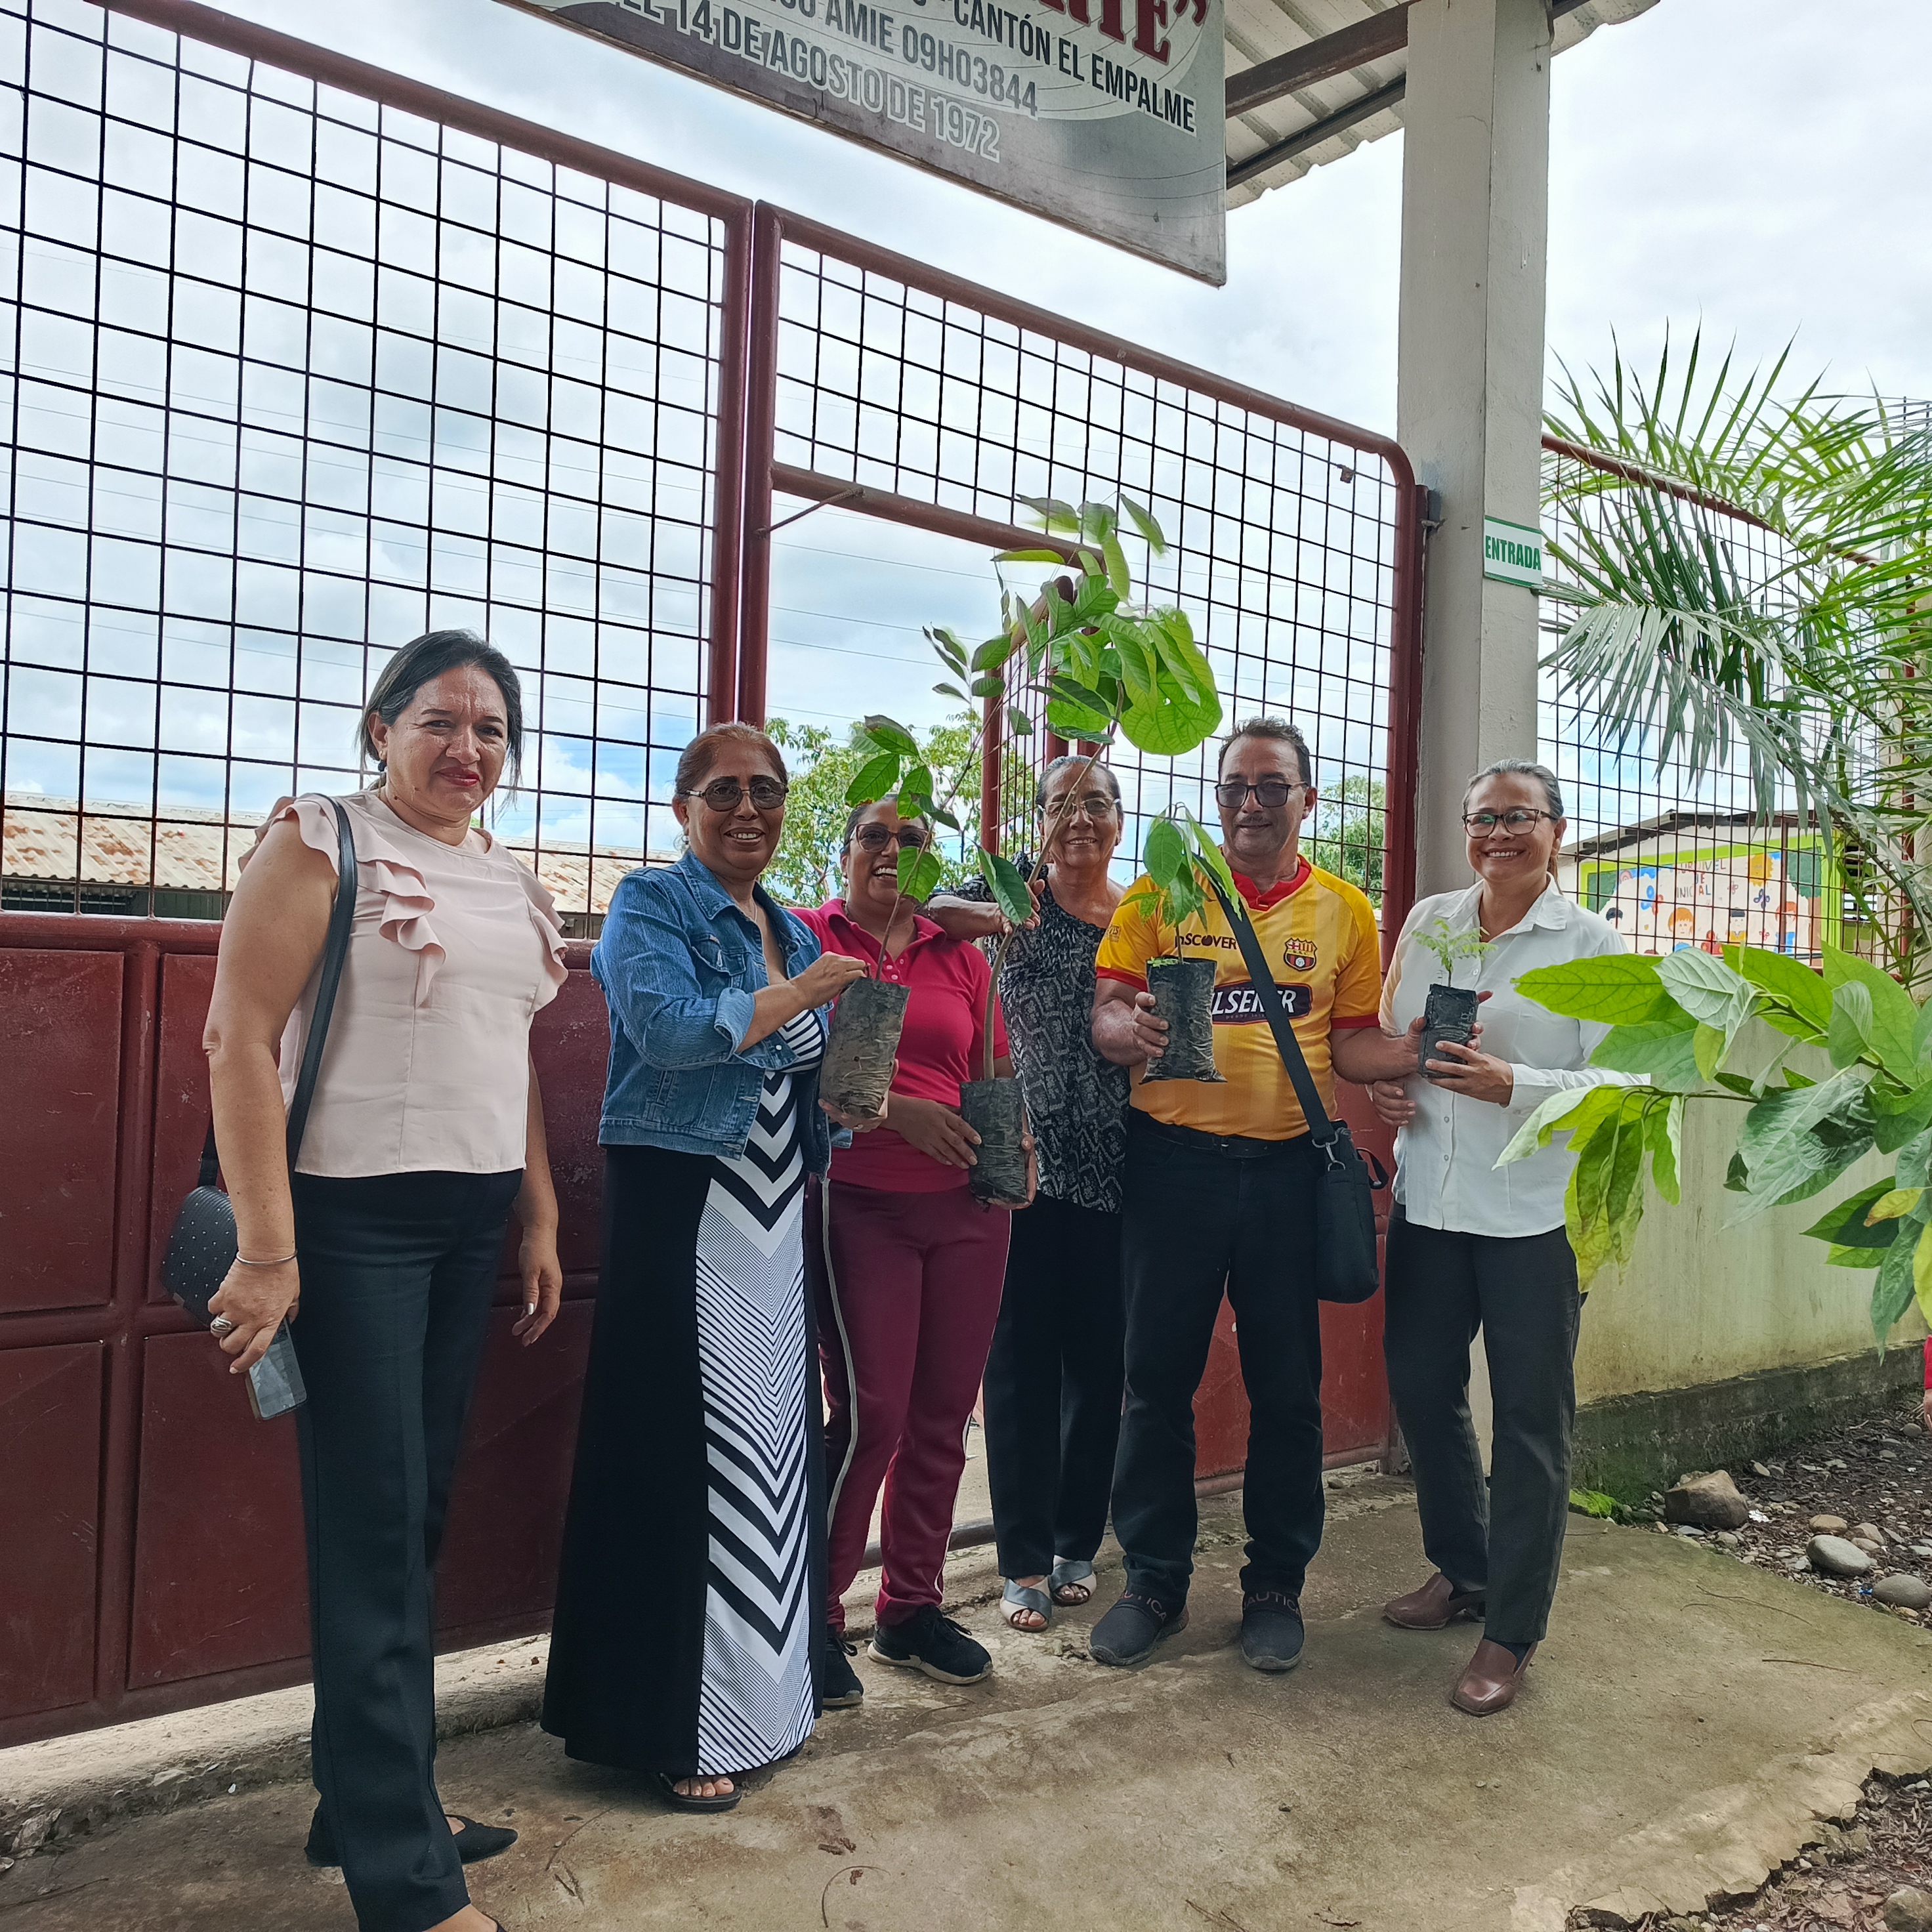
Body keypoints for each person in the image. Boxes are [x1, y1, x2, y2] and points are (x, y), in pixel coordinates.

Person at [203, 629, 568, 1932]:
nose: (468, 748)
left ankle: (365, 1799)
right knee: (373, 1528)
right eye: (440, 722)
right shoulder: (321, 842)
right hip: (352, 1225)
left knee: (413, 1521)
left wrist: (535, 1211)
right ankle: (407, 1885)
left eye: (491, 729)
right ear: (382, 727)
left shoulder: (504, 877)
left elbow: (508, 1055)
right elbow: (236, 1039)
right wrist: (268, 1248)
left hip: (469, 1219)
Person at [542, 723, 875, 1812]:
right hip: (684, 1210)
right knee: (684, 1451)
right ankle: (672, 1725)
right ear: (684, 806)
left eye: (767, 791)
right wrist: (803, 994)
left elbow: (799, 1084)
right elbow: (673, 1035)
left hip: (775, 1217)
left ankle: (768, 1704)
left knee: (770, 1455)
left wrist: (848, 1100)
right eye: (723, 791)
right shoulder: (654, 904)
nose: (748, 811)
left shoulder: (789, 925)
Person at [1087, 717, 1419, 1673]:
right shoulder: (1160, 895)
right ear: (1217, 799)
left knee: (1287, 1389)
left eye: (1273, 786)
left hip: (1285, 1177)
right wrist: (1128, 1030)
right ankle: (1153, 1583)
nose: (1252, 804)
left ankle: (1276, 1585)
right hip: (1171, 1168)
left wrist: (1416, 1054)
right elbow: (1106, 1013)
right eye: (1236, 786)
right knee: (1155, 1384)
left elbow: (1350, 1044)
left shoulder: (1345, 911)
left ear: (1306, 801)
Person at [1369, 759, 1636, 1715]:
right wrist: (1388, 1085)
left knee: (1529, 1423)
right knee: (1421, 1390)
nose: (1499, 834)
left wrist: (1514, 1084)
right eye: (1483, 817)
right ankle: (1465, 1569)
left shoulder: (1592, 943)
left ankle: (1511, 1630)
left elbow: (1626, 1085)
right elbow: (1394, 1037)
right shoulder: (1430, 921)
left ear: (1557, 831)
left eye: (1521, 817)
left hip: (1532, 1219)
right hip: (1430, 1207)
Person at [797, 797, 1029, 1700]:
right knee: (871, 1415)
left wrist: (1016, 1150)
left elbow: (992, 1066)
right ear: (845, 852)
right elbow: (796, 1068)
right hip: (861, 1204)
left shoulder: (959, 957)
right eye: (875, 836)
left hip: (969, 1209)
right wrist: (899, 1113)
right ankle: (815, 1619)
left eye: (914, 840)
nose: (892, 850)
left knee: (942, 1417)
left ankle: (911, 1610)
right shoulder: (810, 939)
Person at [929, 754, 1130, 1631]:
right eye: (1061, 806)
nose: (1079, 819)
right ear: (1039, 820)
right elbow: (928, 910)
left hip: (1121, 1168)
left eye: (1096, 804)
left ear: (1119, 819)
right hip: (1020, 1162)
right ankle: (1023, 1560)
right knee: (1017, 1368)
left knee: (1101, 1365)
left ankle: (1078, 1539)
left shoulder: (1141, 914)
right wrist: (992, 913)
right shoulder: (1015, 890)